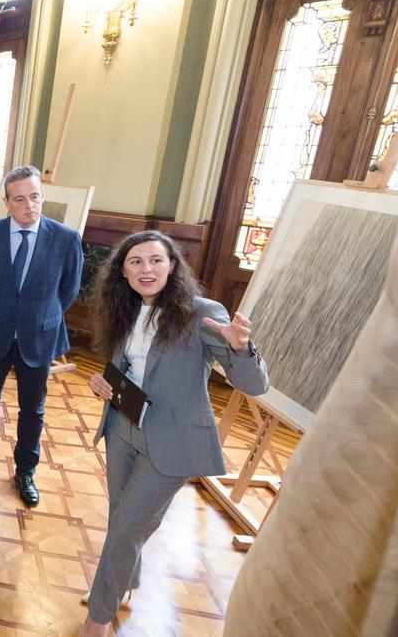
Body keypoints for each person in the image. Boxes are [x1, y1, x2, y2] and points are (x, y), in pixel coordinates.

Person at [80, 230, 268, 635]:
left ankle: (96, 618)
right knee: (123, 519)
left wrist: (240, 348)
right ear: (123, 272)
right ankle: (125, 581)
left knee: (129, 525)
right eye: (135, 262)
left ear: (172, 266)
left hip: (173, 440)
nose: (146, 268)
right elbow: (129, 368)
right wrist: (106, 383)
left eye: (155, 260)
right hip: (123, 427)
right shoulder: (125, 309)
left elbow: (254, 386)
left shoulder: (200, 312)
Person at [0, 165, 82, 508]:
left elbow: (68, 291)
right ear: (7, 202)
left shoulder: (66, 239)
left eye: (35, 197)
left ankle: (25, 471)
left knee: (33, 409)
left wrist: (37, 315)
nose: (30, 205)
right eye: (20, 199)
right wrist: (1, 314)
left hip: (38, 337)